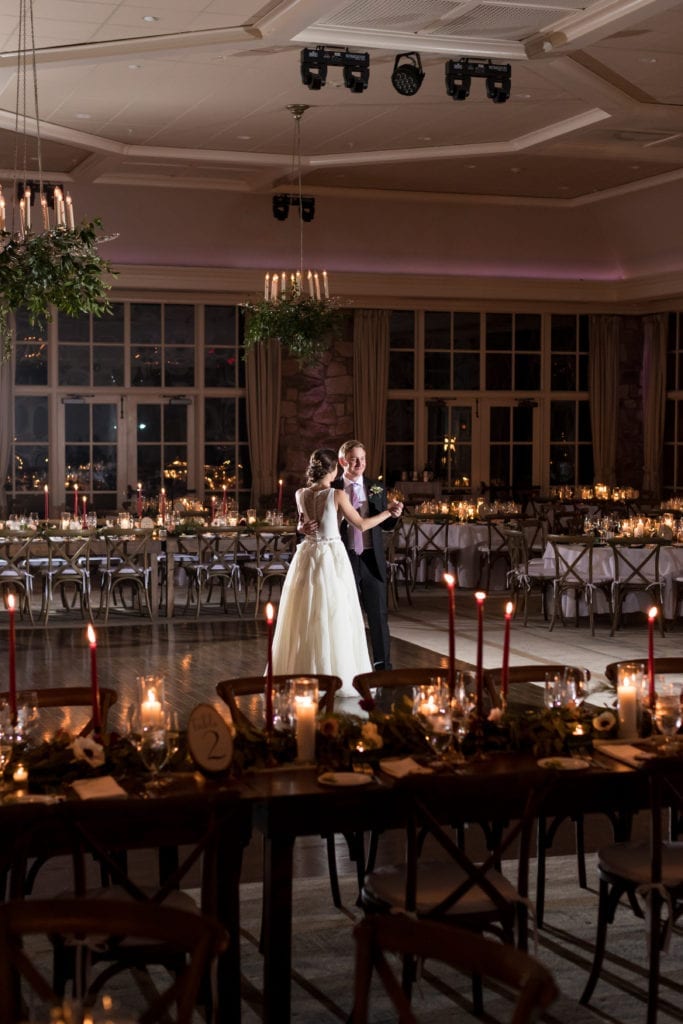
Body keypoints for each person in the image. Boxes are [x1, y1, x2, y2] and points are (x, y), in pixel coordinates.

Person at [270, 448, 401, 693]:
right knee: (336, 614)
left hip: (308, 555)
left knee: (306, 614)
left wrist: (301, 526)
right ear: (334, 469)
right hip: (331, 556)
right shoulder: (337, 494)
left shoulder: (301, 493)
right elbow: (361, 525)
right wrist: (387, 513)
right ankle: (334, 674)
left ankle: (303, 671)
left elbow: (302, 522)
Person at [332, 440, 403, 671]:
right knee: (345, 613)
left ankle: (383, 665)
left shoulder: (377, 487)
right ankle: (349, 664)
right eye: (355, 459)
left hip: (373, 559)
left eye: (363, 458)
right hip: (346, 557)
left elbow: (385, 525)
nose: (360, 463)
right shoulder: (333, 488)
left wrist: (394, 514)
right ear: (343, 461)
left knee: (378, 615)